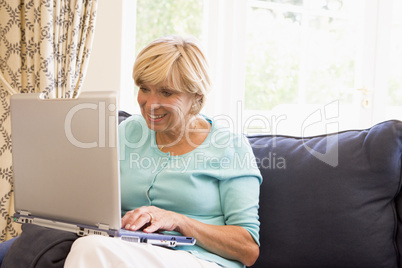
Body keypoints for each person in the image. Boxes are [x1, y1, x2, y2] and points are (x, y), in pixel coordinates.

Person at [2, 35, 262, 268]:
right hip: (129, 249)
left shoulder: (229, 147)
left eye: (166, 92)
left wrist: (178, 220)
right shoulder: (129, 131)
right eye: (144, 88)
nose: (150, 103)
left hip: (200, 259)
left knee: (92, 249)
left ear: (196, 96)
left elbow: (248, 249)